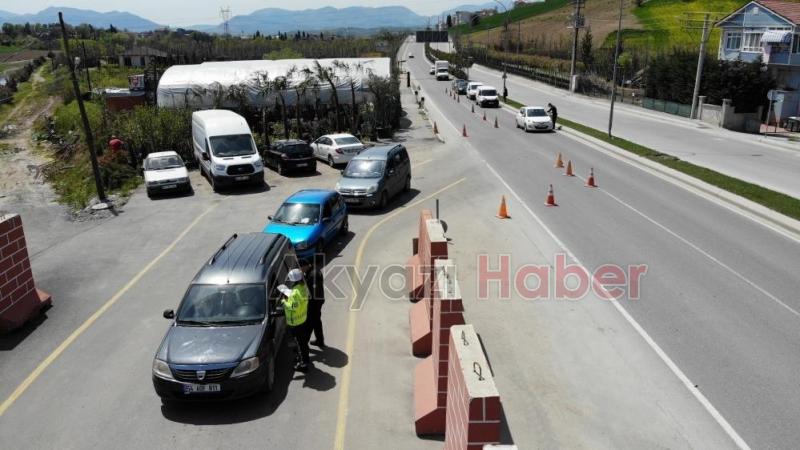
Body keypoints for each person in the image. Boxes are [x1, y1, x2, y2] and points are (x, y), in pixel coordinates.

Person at [278, 268, 310, 372]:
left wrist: (284, 301)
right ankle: (305, 359)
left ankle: (303, 364)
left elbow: (293, 306)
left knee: (300, 344)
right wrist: (289, 293)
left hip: (296, 323)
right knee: (303, 343)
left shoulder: (295, 293)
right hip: (303, 319)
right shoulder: (302, 287)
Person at [302, 256, 325, 347]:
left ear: (305, 266)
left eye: (301, 268)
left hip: (315, 303)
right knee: (317, 322)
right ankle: (320, 341)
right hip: (318, 301)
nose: (301, 270)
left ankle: (304, 343)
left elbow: (314, 292)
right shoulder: (312, 271)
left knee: (309, 323)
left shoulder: (313, 275)